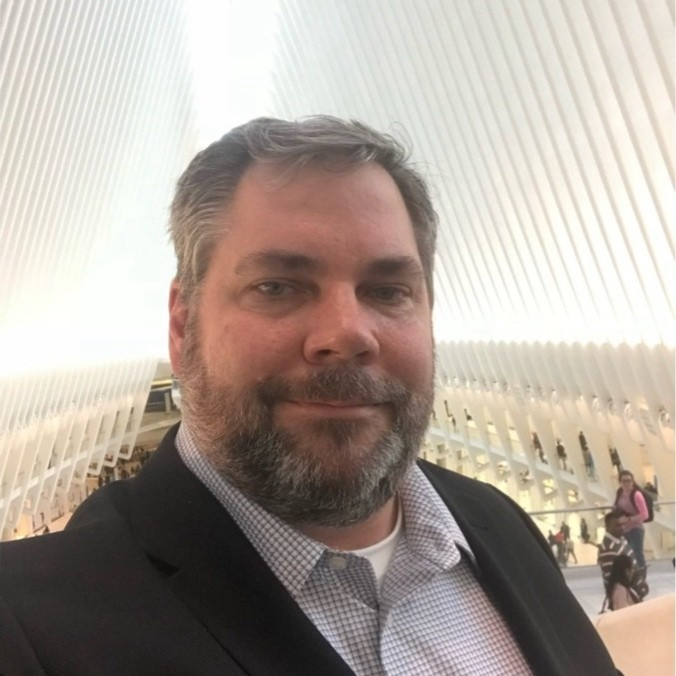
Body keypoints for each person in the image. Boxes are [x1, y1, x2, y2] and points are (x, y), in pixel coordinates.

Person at [0, 116, 619, 675]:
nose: (347, 335)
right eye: (277, 287)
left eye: (388, 290)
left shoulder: (498, 525)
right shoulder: (30, 626)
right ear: (184, 325)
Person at [597, 512, 648, 600]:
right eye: (618, 525)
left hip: (631, 592)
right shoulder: (609, 549)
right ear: (608, 527)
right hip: (625, 597)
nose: (623, 528)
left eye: (624, 524)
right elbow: (613, 580)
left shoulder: (620, 539)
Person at [614, 469, 649, 571]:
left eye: (629, 480)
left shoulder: (636, 495)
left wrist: (628, 519)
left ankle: (641, 576)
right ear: (620, 482)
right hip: (624, 530)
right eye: (624, 481)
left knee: (637, 554)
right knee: (626, 556)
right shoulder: (620, 493)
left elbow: (644, 515)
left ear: (633, 481)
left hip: (636, 529)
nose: (626, 483)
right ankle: (631, 576)